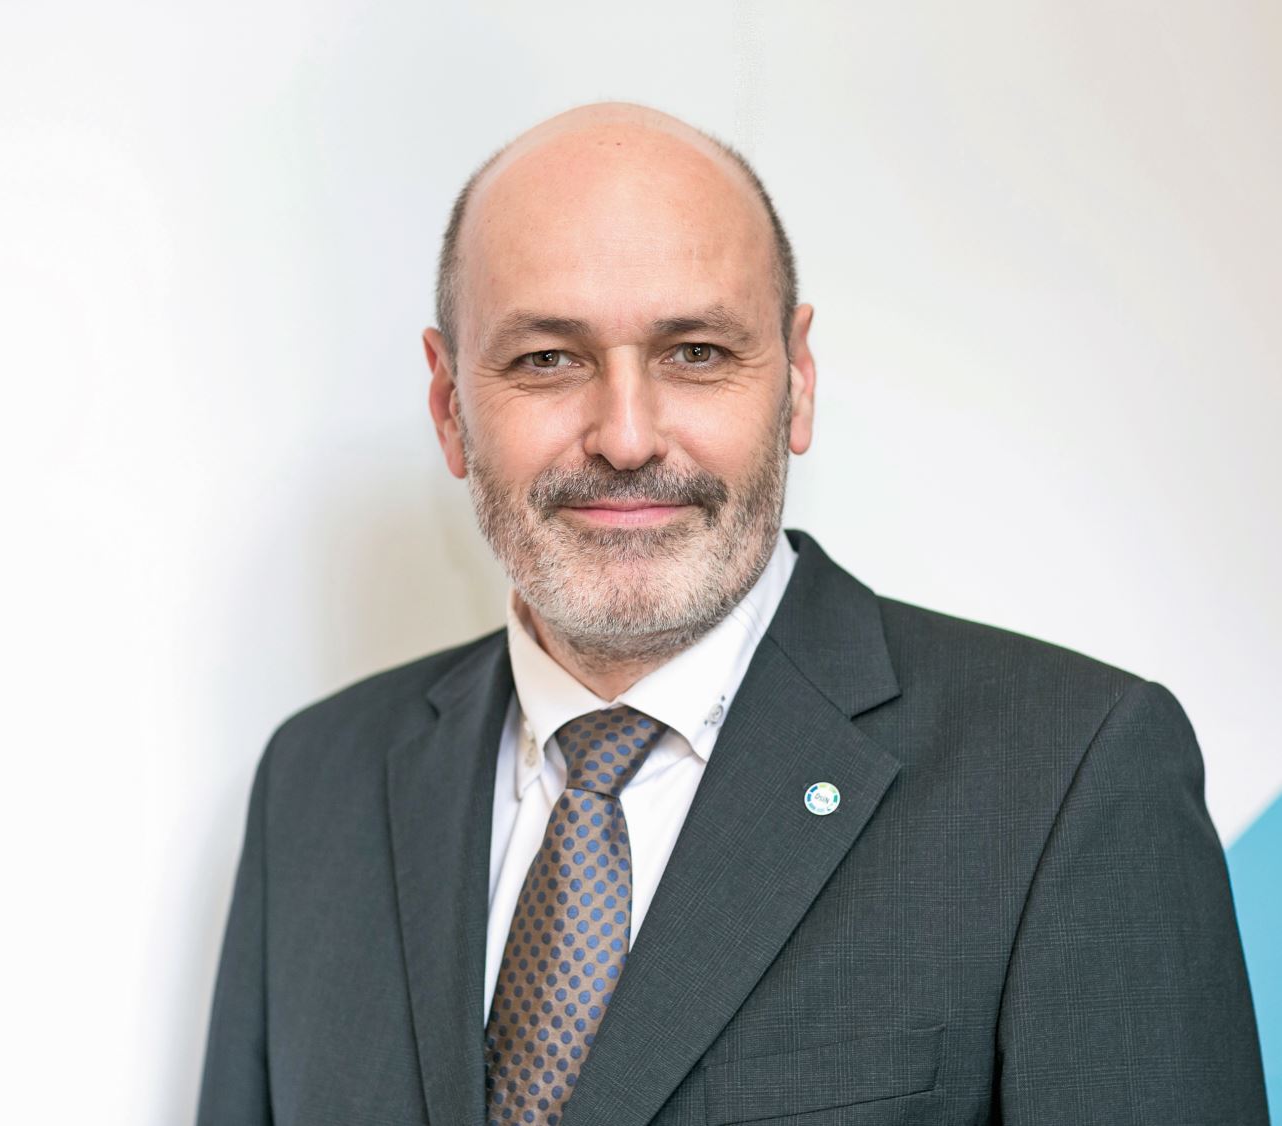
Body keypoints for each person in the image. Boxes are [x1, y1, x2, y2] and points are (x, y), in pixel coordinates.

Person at [195, 101, 1268, 1126]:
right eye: (546, 359)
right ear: (448, 405)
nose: (625, 437)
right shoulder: (316, 785)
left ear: (796, 381)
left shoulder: (1069, 775)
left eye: (696, 353)